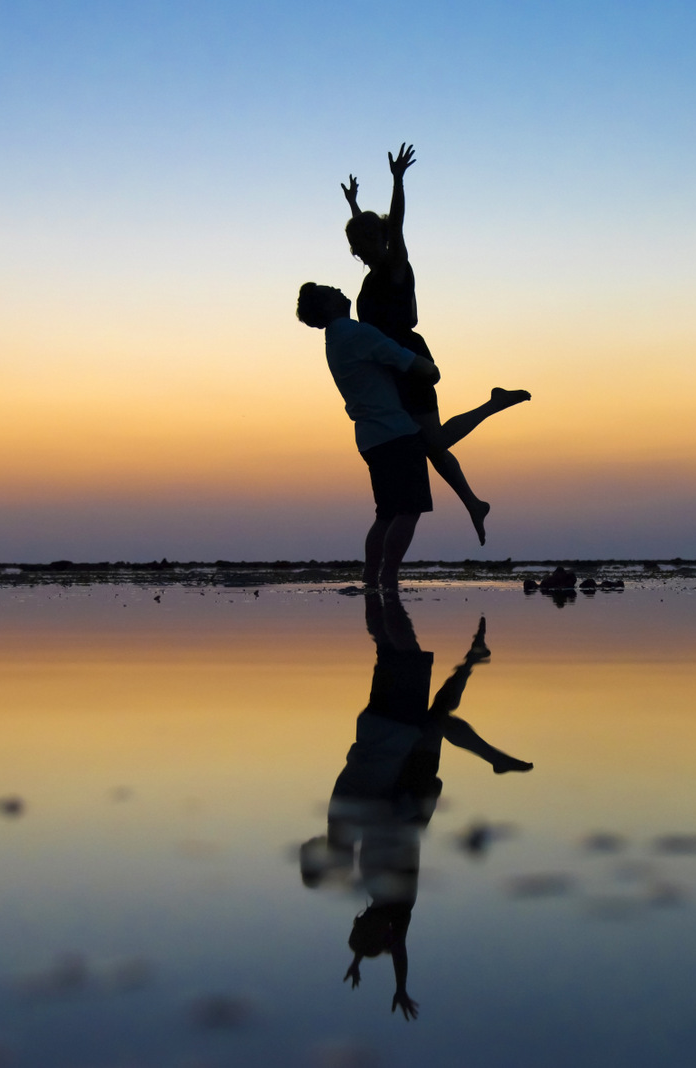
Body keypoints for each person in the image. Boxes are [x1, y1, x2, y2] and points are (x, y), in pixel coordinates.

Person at [299, 594, 533, 1020]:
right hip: (413, 794)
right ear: (376, 931)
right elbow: (398, 948)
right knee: (438, 721)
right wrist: (401, 985)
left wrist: (356, 961)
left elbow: (380, 942)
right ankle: (493, 753)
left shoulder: (375, 896)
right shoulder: (399, 907)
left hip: (400, 786)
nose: (353, 922)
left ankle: (471, 662)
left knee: (438, 714)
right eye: (358, 929)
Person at [342, 143, 531, 545]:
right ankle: (474, 503)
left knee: (435, 441)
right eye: (356, 245)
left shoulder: (395, 268)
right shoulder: (373, 273)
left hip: (409, 360)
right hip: (391, 365)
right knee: (426, 445)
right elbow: (369, 234)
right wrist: (355, 206)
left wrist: (397, 181)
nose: (358, 249)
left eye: (365, 241)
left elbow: (395, 228)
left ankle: (493, 404)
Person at [297, 282, 436, 589]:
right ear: (328, 305)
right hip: (395, 433)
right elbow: (412, 363)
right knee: (409, 509)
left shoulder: (336, 340)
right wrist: (431, 370)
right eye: (329, 290)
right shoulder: (357, 334)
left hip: (370, 438)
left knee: (386, 513)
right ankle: (387, 578)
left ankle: (370, 578)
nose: (337, 288)